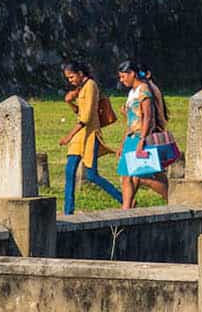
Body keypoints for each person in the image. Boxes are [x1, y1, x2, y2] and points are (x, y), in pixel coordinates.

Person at [58, 60, 122, 215]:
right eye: (68, 78)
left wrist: (68, 136)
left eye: (72, 77)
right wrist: (69, 103)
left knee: (92, 174)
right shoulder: (82, 88)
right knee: (70, 171)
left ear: (80, 74)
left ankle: (123, 199)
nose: (70, 81)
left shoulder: (91, 86)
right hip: (80, 136)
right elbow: (80, 112)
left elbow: (86, 117)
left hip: (89, 135)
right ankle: (68, 210)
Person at [115, 59, 176, 209]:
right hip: (131, 136)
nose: (122, 80)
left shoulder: (144, 90)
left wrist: (142, 140)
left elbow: (148, 116)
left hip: (140, 137)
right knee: (126, 175)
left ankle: (174, 199)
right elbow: (131, 120)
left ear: (132, 74)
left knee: (145, 175)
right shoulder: (132, 93)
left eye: (123, 76)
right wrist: (123, 143)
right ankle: (126, 208)